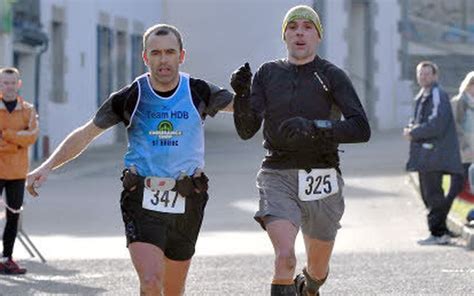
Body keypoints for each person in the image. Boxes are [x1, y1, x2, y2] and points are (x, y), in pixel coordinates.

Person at [26, 24, 233, 295]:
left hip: (187, 197)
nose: (163, 59)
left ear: (181, 56)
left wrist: (252, 92)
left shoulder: (199, 91)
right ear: (145, 57)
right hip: (141, 197)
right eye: (155, 53)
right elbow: (86, 134)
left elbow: (250, 110)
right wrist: (47, 166)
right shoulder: (131, 96)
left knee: (172, 290)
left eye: (170, 52)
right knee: (150, 281)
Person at [230, 5, 370, 295]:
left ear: (318, 36)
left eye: (307, 27)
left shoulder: (331, 75)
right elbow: (247, 130)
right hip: (277, 173)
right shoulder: (268, 73)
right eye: (293, 27)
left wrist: (315, 127)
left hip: (322, 176)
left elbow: (361, 128)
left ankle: (309, 286)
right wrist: (242, 96)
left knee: (317, 271)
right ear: (285, 35)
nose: (299, 33)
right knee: (285, 258)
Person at [404, 61, 464, 246]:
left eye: (427, 74)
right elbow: (419, 120)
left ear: (435, 76)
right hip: (425, 156)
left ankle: (438, 233)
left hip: (436, 155)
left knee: (433, 194)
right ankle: (441, 230)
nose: (423, 77)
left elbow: (437, 123)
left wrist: (414, 132)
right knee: (428, 194)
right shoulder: (421, 96)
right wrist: (410, 128)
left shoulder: (438, 94)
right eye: (421, 74)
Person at [0, 67, 39, 274]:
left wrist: (5, 135)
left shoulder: (28, 110)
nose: (9, 86)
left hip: (16, 172)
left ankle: (7, 258)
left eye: (12, 82)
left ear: (19, 84)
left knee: (13, 216)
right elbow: (23, 139)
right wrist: (16, 141)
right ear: (0, 84)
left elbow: (32, 136)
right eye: (5, 82)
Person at [450, 71, 474, 199]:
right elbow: (455, 126)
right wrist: (465, 147)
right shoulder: (459, 102)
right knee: (458, 185)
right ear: (469, 85)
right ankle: (441, 210)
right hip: (464, 152)